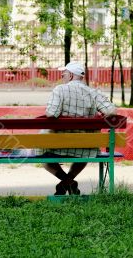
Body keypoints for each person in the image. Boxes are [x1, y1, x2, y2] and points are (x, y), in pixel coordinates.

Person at [42, 61, 116, 195]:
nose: (62, 76)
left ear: (70, 75)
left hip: (58, 145)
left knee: (44, 156)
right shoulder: (93, 92)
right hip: (86, 146)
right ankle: (69, 182)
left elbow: (52, 114)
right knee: (85, 153)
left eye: (64, 73)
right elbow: (111, 111)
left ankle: (66, 181)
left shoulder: (60, 89)